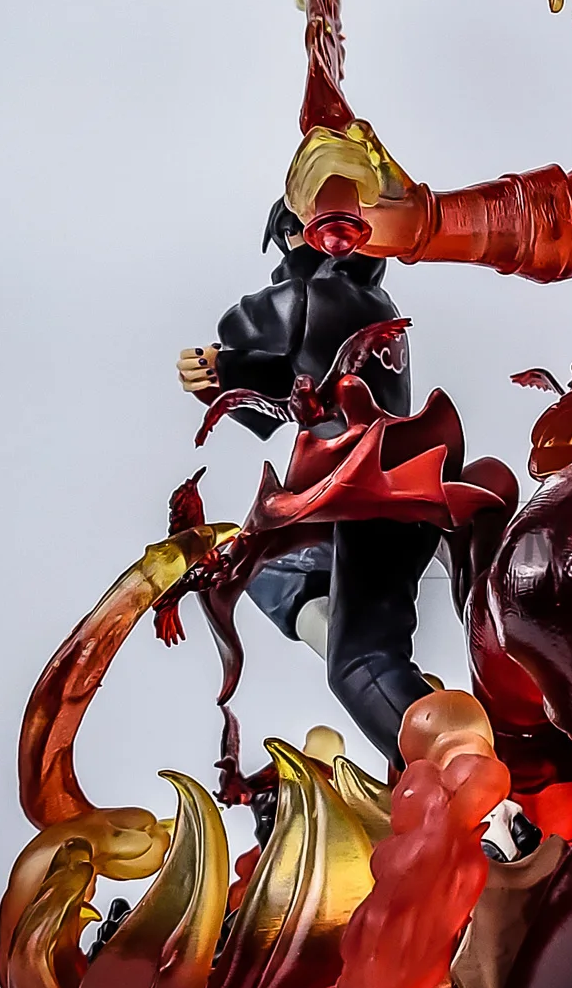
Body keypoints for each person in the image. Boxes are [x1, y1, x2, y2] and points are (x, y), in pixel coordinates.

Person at [175, 197, 439, 770]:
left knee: (360, 664)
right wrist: (223, 377)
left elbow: (252, 324)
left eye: (301, 232)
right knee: (268, 572)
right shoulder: (357, 300)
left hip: (370, 495)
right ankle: (423, 715)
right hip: (374, 493)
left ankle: (461, 779)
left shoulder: (323, 294)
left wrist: (225, 362)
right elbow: (288, 388)